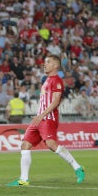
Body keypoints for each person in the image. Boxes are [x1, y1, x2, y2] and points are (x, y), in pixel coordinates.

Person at [7, 55, 85, 186]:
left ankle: (78, 167)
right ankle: (23, 179)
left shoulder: (57, 81)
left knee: (51, 144)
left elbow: (55, 102)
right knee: (25, 145)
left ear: (56, 65)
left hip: (48, 118)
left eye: (48, 62)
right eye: (44, 62)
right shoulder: (46, 80)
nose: (44, 64)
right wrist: (39, 116)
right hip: (39, 118)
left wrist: (41, 115)